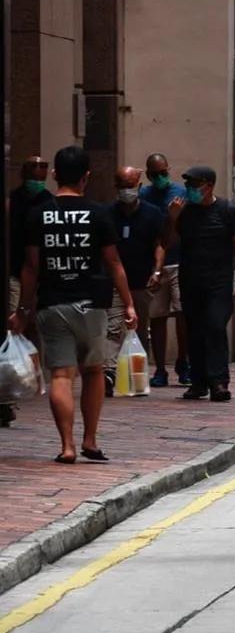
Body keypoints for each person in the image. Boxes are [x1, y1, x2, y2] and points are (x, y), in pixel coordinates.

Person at [12, 143, 136, 464]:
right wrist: (129, 303)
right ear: (86, 177)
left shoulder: (39, 215)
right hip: (92, 305)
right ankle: (90, 441)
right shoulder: (98, 214)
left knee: (62, 376)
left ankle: (66, 445)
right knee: (93, 372)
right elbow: (114, 264)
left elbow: (30, 268)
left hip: (52, 304)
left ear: (54, 175)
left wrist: (23, 309)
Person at [171, 167, 235, 404]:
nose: (192, 189)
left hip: (219, 284)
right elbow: (168, 242)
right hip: (190, 281)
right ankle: (198, 382)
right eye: (189, 185)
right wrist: (171, 218)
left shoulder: (227, 211)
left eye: (196, 184)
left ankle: (218, 381)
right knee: (194, 331)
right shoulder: (184, 213)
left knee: (215, 327)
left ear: (210, 185)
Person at [105, 166, 166, 382]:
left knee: (139, 330)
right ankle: (110, 374)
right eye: (122, 186)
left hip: (142, 282)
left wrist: (157, 270)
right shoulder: (108, 214)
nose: (126, 191)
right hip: (115, 284)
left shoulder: (152, 213)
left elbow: (160, 244)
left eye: (129, 186)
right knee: (113, 329)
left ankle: (135, 376)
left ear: (138, 186)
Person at [1, 154, 48, 428]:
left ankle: (35, 374)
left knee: (36, 327)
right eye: (33, 174)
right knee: (15, 323)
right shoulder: (13, 201)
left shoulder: (48, 202)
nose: (37, 179)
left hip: (43, 275)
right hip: (17, 272)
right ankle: (15, 374)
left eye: (42, 174)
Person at [143, 151, 189, 387]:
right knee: (157, 317)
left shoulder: (180, 194)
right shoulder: (144, 195)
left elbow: (182, 232)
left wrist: (174, 218)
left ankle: (183, 361)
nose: (161, 177)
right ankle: (160, 368)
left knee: (183, 313)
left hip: (178, 261)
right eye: (156, 174)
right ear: (149, 175)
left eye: (164, 172)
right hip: (155, 264)